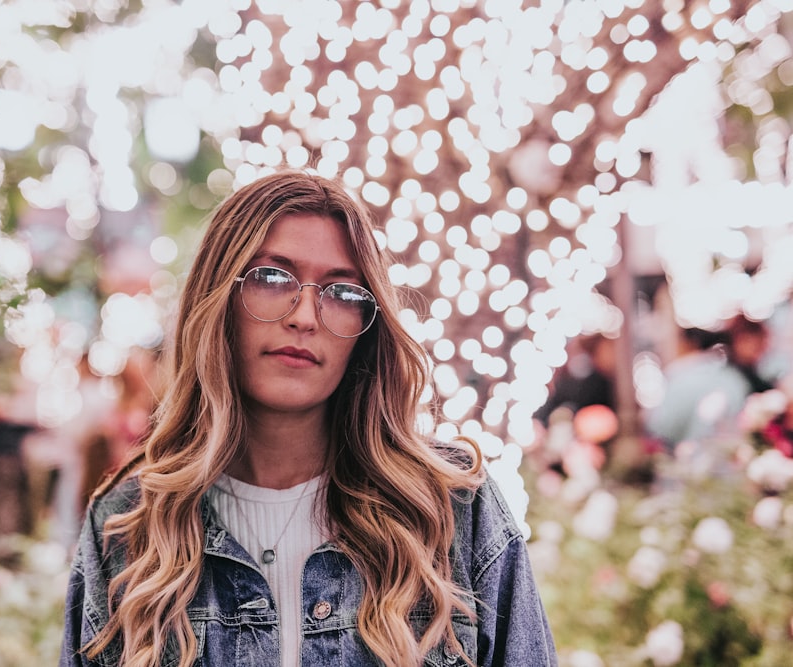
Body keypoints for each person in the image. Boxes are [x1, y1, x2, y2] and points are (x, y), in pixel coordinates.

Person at [60, 171, 558, 667]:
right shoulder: (129, 527)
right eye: (272, 278)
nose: (304, 316)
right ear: (218, 299)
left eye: (341, 292)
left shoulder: (451, 511)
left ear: (366, 328)